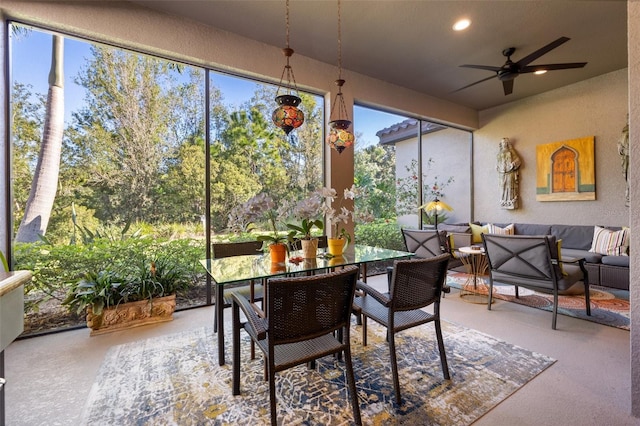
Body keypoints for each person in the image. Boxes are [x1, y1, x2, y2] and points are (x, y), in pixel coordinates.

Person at [496, 138, 522, 209]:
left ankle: (511, 201)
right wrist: (497, 166)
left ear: (507, 143)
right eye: (502, 142)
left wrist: (513, 164)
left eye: (505, 142)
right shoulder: (499, 153)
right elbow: (497, 162)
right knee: (502, 187)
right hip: (502, 173)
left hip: (510, 172)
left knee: (510, 187)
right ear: (501, 144)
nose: (504, 144)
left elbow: (518, 160)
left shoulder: (511, 151)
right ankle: (503, 201)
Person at [618, 116, 629, 206]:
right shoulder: (624, 131)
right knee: (629, 177)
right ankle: (629, 197)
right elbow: (620, 146)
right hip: (627, 158)